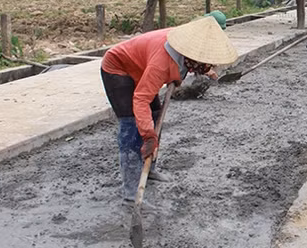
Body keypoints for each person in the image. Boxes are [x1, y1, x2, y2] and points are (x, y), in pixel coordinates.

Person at [101, 16, 238, 203]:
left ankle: (149, 169)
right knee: (132, 126)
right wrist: (148, 136)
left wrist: (205, 71)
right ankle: (131, 190)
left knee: (157, 117)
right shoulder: (161, 63)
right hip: (118, 69)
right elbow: (141, 99)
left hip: (142, 67)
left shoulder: (187, 46)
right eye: (207, 63)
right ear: (194, 58)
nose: (209, 65)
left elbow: (191, 62)